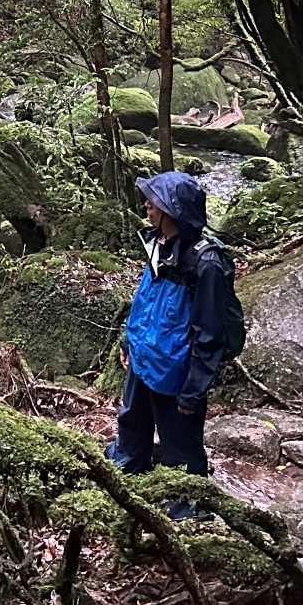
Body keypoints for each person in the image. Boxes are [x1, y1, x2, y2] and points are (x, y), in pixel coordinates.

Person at [107, 170, 233, 497]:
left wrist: (194, 389)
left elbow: (211, 333)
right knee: (132, 423)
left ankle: (188, 503)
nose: (147, 205)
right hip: (143, 357)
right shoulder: (158, 242)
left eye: (156, 201)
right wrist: (128, 341)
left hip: (176, 372)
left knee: (181, 447)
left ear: (174, 211)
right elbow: (144, 298)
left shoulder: (205, 263)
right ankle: (129, 466)